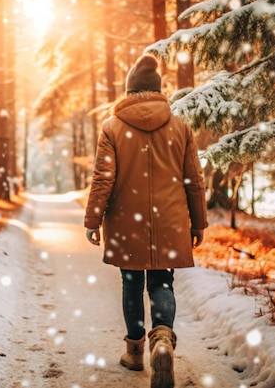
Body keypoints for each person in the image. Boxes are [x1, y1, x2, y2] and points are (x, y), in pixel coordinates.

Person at [84, 54, 208, 388]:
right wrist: (198, 223)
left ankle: (135, 352)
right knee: (161, 282)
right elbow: (194, 180)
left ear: (129, 90)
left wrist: (93, 219)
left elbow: (102, 179)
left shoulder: (112, 127)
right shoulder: (180, 127)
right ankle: (163, 340)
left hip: (127, 222)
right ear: (158, 90)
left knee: (132, 283)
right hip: (169, 222)